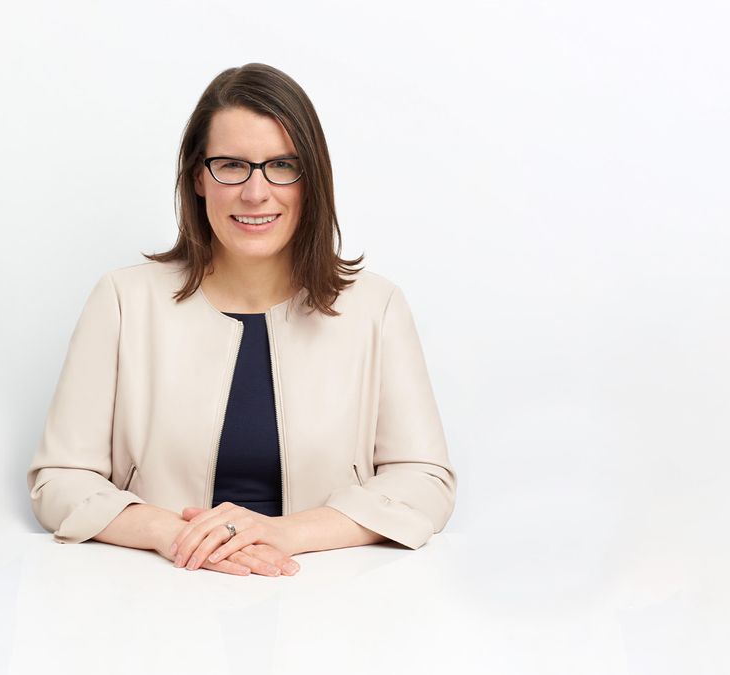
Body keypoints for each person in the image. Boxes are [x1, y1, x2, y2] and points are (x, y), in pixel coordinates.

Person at [27, 63, 457, 577]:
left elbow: (425, 480)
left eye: (282, 165)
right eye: (231, 165)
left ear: (311, 180)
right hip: (157, 594)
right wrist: (178, 535)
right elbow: (59, 480)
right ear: (198, 180)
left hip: (328, 594)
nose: (256, 193)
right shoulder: (122, 300)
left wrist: (282, 532)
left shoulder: (376, 307)